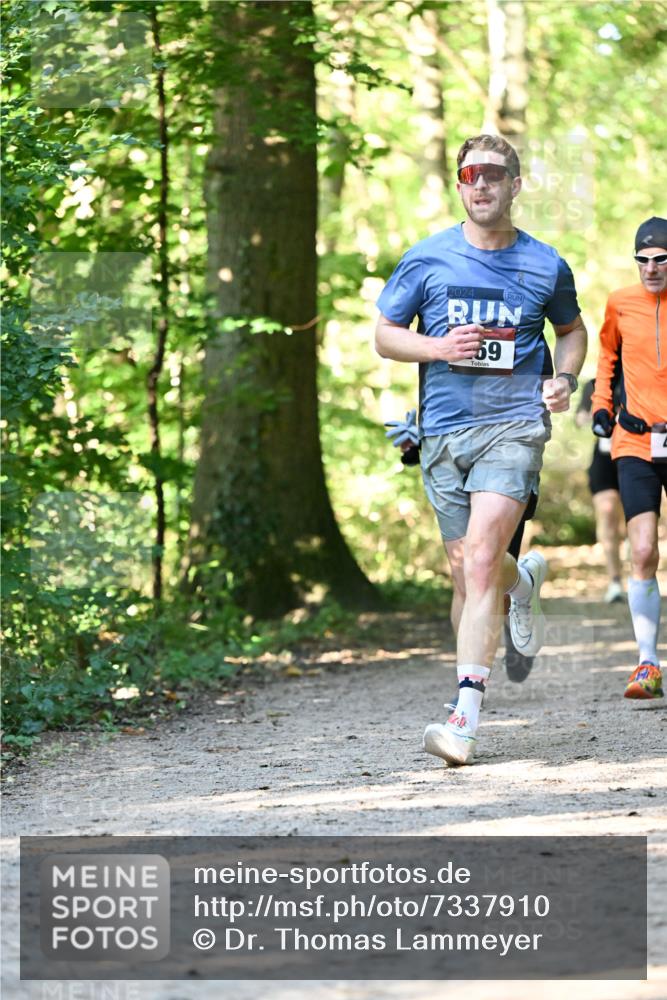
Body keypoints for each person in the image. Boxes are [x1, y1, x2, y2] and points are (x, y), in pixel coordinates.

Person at [375, 133, 587, 766]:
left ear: (515, 185)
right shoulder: (427, 259)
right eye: (471, 174)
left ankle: (463, 717)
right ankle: (521, 586)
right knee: (468, 570)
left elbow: (571, 333)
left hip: (515, 424)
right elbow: (386, 335)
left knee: (480, 559)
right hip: (443, 429)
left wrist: (565, 379)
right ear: (460, 185)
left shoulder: (545, 263)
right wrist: (437, 348)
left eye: (495, 175)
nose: (482, 184)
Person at [386, 408, 537, 684]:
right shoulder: (444, 371)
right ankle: (469, 682)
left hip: (507, 452)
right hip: (450, 455)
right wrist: (420, 438)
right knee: (465, 577)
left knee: (487, 571)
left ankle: (519, 598)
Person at [591, 216, 667, 700]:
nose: (651, 268)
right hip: (635, 440)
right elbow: (605, 358)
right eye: (643, 260)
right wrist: (601, 406)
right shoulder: (620, 303)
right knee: (642, 549)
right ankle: (647, 663)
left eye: (660, 260)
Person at [575, 378, 625, 602]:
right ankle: (615, 582)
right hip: (604, 459)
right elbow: (579, 417)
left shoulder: (641, 375)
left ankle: (639, 574)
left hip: (635, 457)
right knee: (606, 513)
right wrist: (589, 417)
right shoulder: (594, 384)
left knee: (627, 525)